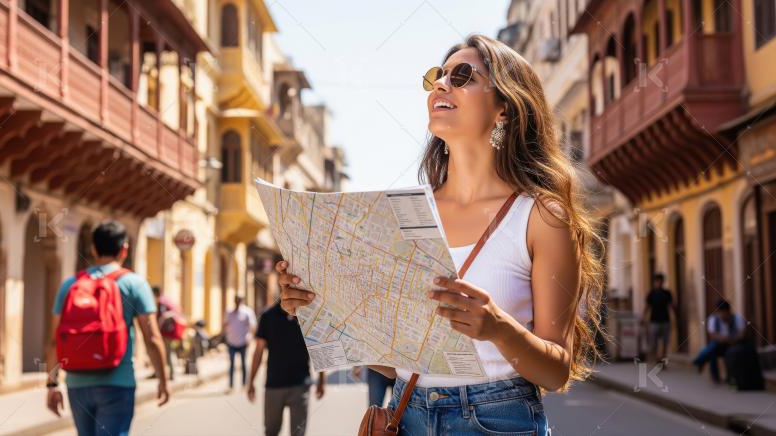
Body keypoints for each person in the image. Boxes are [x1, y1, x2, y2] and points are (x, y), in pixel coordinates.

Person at [277, 34, 605, 435]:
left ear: (504, 107)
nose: (441, 85)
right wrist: (319, 305)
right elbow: (400, 361)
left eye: (463, 75)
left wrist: (499, 329)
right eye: (438, 75)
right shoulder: (401, 213)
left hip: (496, 420)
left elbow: (556, 371)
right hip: (406, 414)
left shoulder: (541, 216)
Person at [46, 220, 169, 436]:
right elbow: (152, 338)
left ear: (93, 249)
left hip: (77, 384)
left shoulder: (70, 285)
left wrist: (51, 384)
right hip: (117, 382)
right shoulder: (134, 284)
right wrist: (163, 380)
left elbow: (55, 340)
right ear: (124, 249)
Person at [247, 302, 325, 436]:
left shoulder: (308, 315)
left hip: (300, 386)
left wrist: (322, 380)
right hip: (274, 386)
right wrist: (251, 381)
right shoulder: (268, 315)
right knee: (271, 432)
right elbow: (258, 351)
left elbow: (317, 349)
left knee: (298, 433)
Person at [693, 299, 746, 384]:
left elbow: (742, 334)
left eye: (721, 312)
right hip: (720, 344)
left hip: (734, 344)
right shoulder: (714, 319)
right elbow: (712, 334)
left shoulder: (737, 319)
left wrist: (732, 340)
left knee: (712, 349)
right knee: (713, 349)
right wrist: (724, 339)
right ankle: (715, 377)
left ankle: (700, 360)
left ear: (726, 311)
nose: (720, 315)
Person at [224, 295, 256, 392]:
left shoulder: (247, 312)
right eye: (236, 300)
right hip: (231, 342)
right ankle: (231, 386)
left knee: (243, 364)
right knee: (231, 365)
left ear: (242, 301)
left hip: (243, 342)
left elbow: (252, 326)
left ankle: (244, 384)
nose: (237, 302)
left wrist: (249, 337)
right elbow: (225, 324)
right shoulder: (229, 312)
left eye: (239, 300)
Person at [642, 273, 674, 366]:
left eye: (661, 281)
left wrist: (675, 317)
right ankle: (657, 358)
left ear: (663, 282)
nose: (659, 283)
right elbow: (647, 306)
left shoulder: (667, 293)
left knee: (665, 341)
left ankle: (663, 359)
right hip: (654, 321)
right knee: (654, 342)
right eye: (658, 281)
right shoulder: (651, 293)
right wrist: (644, 318)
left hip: (665, 320)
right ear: (655, 282)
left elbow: (671, 306)